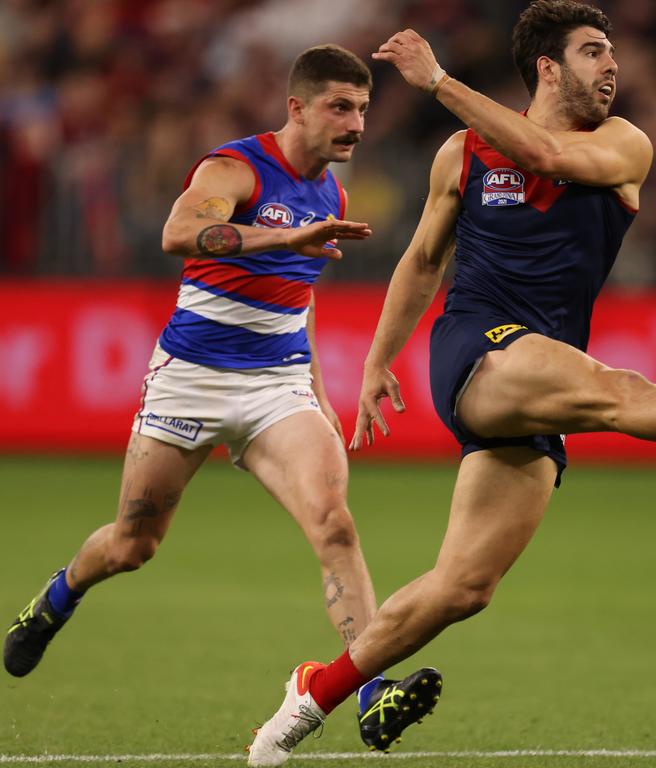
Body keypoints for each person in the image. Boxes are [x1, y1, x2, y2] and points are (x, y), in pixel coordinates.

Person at [246, 2, 656, 764]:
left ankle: (309, 697)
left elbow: (548, 155)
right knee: (617, 392)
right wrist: (380, 361)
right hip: (476, 351)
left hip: (537, 377)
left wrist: (440, 80)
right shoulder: (461, 154)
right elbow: (421, 262)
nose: (611, 65)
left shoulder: (625, 144)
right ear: (548, 67)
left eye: (610, 52)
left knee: (461, 588)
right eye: (591, 52)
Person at [3, 46, 418, 741]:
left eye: (363, 110)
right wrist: (282, 236)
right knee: (134, 544)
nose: (355, 124)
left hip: (277, 386)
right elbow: (179, 232)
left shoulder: (333, 194)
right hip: (191, 378)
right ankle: (56, 598)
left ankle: (370, 690)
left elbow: (300, 296)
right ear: (297, 107)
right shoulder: (235, 167)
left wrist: (314, 388)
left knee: (335, 523)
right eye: (339, 107)